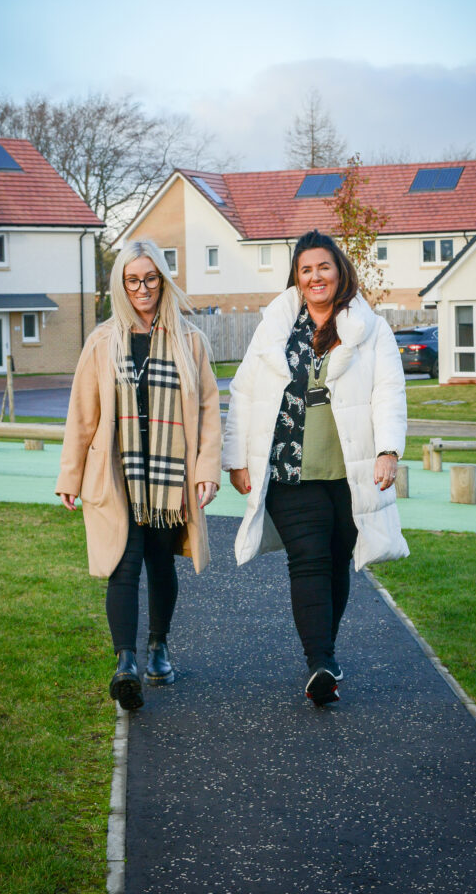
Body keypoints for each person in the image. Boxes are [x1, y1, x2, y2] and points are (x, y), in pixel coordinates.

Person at [223, 230, 408, 706]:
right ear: (297, 278)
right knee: (308, 560)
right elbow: (244, 392)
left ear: (339, 270)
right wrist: (236, 458)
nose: (315, 276)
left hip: (351, 470)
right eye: (305, 269)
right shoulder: (275, 329)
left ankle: (324, 655)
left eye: (322, 267)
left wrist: (388, 449)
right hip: (289, 469)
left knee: (337, 561)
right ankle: (320, 661)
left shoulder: (371, 330)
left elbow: (388, 390)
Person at [57, 239, 221, 711]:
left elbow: (210, 410)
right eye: (133, 280)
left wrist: (207, 469)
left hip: (170, 477)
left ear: (163, 281)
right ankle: (125, 663)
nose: (143, 288)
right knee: (122, 563)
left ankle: (158, 648)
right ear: (121, 285)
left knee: (160, 561)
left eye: (151, 278)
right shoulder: (103, 341)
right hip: (118, 472)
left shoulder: (190, 340)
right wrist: (70, 476)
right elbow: (81, 415)